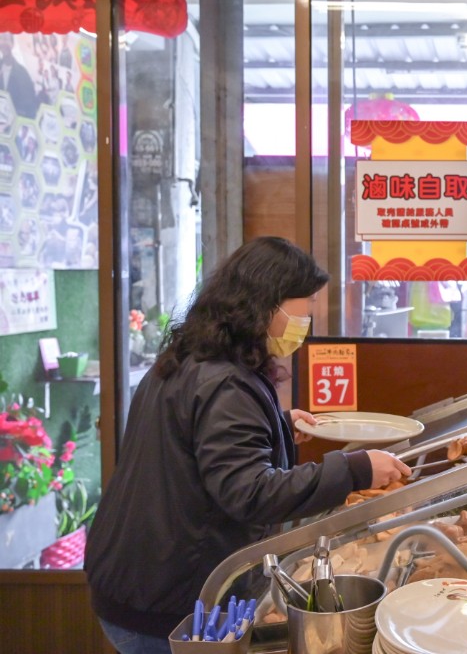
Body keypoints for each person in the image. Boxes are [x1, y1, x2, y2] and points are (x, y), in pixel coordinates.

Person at [86, 237, 411, 654]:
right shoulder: (225, 383)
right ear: (267, 304)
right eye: (306, 302)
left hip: (140, 579)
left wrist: (276, 425)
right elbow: (249, 492)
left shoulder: (193, 358)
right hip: (168, 602)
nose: (310, 314)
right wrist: (355, 470)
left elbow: (194, 447)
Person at [0, 32, 39, 119]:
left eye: (6, 39)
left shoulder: (23, 74)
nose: (3, 42)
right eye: (1, 39)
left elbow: (30, 106)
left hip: (13, 124)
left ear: (13, 44)